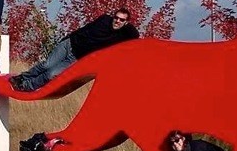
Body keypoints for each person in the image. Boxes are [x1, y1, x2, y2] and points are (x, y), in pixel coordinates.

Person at [9, 8, 139, 91]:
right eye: (116, 17)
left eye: (121, 20)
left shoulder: (121, 36)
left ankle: (27, 86)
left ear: (126, 22)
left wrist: (126, 25)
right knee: (47, 64)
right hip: (69, 44)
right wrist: (67, 38)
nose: (116, 21)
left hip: (77, 57)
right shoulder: (105, 19)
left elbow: (135, 35)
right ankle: (21, 77)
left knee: (52, 74)